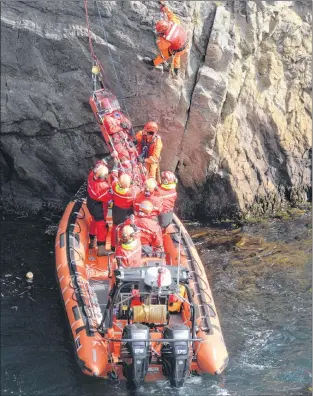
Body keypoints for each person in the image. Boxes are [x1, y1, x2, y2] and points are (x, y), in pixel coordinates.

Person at [143, 0, 188, 77]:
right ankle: (176, 70)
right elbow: (170, 14)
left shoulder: (167, 39)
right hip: (185, 43)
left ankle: (153, 63)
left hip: (177, 48)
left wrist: (159, 38)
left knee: (163, 56)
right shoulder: (174, 23)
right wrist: (164, 7)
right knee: (177, 56)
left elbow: (162, 48)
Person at [87, 163, 113, 256]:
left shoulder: (91, 177)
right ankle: (101, 249)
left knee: (93, 221)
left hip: (90, 203)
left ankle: (92, 241)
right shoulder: (102, 187)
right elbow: (110, 197)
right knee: (101, 227)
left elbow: (98, 164)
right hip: (98, 207)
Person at [111, 173, 139, 251]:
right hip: (127, 213)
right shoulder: (131, 192)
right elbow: (137, 190)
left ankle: (113, 246)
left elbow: (114, 181)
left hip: (116, 211)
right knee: (126, 230)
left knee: (115, 227)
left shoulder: (114, 187)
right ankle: (122, 246)